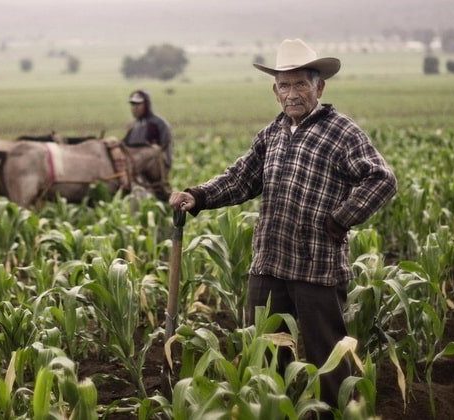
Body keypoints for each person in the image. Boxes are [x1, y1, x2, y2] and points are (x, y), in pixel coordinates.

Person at [168, 39, 397, 414]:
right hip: (270, 264)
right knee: (266, 357)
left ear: (318, 87)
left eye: (300, 85)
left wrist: (341, 219)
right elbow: (242, 178)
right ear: (275, 92)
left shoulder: (342, 132)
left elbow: (382, 179)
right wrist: (199, 196)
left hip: (317, 267)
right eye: (284, 86)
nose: (292, 94)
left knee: (330, 361)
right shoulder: (273, 133)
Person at [122, 89, 173, 169]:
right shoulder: (133, 126)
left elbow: (166, 149)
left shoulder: (159, 123)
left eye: (138, 104)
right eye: (133, 104)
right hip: (133, 166)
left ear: (146, 105)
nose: (135, 108)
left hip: (155, 168)